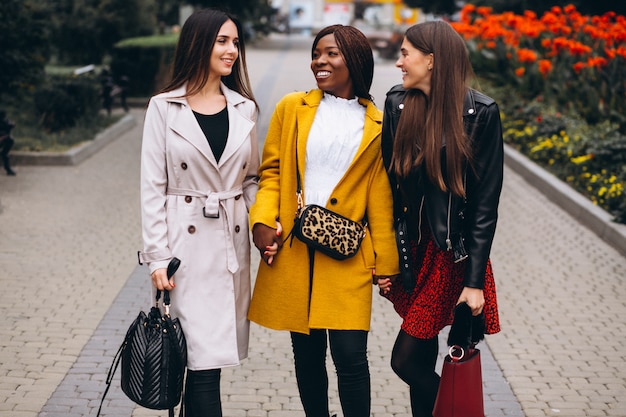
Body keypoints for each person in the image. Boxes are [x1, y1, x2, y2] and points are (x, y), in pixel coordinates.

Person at [247, 25, 399, 417]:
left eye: (331, 53)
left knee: (351, 358)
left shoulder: (379, 126)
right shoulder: (292, 108)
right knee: (307, 356)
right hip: (296, 249)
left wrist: (387, 265)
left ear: (355, 60)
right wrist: (261, 221)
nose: (319, 61)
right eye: (316, 54)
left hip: (347, 254)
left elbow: (381, 200)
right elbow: (272, 173)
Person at [377, 21, 503, 417]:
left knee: (406, 361)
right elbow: (387, 190)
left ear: (431, 60)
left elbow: (485, 206)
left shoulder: (480, 113)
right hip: (412, 250)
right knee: (422, 356)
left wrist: (475, 283)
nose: (399, 62)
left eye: (405, 53)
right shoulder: (398, 103)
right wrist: (386, 258)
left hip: (453, 256)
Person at [138, 9, 259, 417]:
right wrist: (156, 256)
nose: (231, 51)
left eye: (235, 42)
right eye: (222, 41)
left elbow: (251, 179)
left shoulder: (245, 108)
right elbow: (152, 187)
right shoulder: (163, 107)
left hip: (229, 249)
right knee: (197, 363)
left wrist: (263, 223)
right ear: (198, 43)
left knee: (208, 367)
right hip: (182, 255)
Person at [0, 110, 16, 176]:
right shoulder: (4, 121)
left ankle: (8, 169)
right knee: (5, 154)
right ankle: (8, 169)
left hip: (4, 138)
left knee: (5, 154)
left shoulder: (5, 121)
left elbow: (11, 125)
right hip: (3, 137)